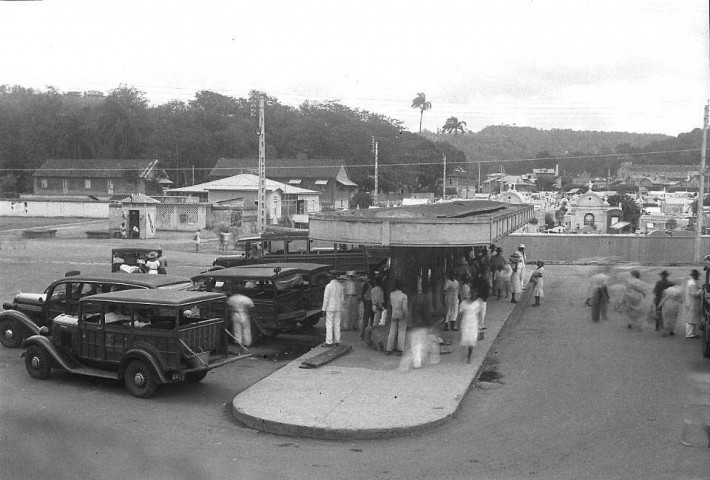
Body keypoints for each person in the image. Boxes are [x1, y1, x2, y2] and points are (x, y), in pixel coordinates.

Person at [457, 284, 482, 364]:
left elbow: (479, 314)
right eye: (473, 293)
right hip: (465, 322)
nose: (474, 294)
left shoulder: (478, 303)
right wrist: (458, 325)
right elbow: (460, 314)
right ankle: (463, 355)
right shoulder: (464, 303)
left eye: (476, 293)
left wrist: (479, 325)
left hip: (473, 323)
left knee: (471, 340)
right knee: (464, 339)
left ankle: (469, 356)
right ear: (471, 293)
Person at [385, 280, 409, 355]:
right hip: (402, 315)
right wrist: (407, 315)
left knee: (392, 331)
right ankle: (400, 350)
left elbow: (391, 304)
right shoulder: (404, 296)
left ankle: (389, 349)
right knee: (401, 332)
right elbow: (404, 308)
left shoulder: (391, 294)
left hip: (394, 314)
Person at [321, 273, 344, 347]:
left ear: (330, 277)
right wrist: (340, 306)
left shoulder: (328, 286)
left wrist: (323, 309)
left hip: (330, 307)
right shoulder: (340, 286)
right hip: (338, 307)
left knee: (329, 324)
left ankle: (329, 341)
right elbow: (342, 298)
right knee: (337, 324)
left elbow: (326, 298)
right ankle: (337, 340)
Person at [684, 269, 702, 339]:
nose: (698, 277)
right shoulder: (692, 283)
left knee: (691, 318)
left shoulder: (691, 282)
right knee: (690, 318)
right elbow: (695, 294)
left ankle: (691, 333)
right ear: (695, 276)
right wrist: (701, 290)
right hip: (692, 303)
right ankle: (689, 334)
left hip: (690, 302)